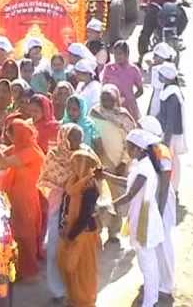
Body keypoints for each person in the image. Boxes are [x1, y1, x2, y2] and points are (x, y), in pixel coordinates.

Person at [0, 119, 44, 281]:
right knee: (13, 233)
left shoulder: (31, 152)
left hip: (25, 199)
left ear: (20, 135)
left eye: (11, 134)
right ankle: (16, 270)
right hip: (13, 197)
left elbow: (4, 161)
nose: (9, 138)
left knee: (25, 235)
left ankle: (29, 272)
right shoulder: (20, 147)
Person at [111, 129, 165, 307]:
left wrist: (109, 206)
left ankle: (150, 301)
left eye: (129, 147)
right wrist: (105, 176)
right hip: (142, 214)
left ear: (139, 149)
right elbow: (128, 184)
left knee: (147, 261)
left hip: (144, 219)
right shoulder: (141, 164)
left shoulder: (144, 168)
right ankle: (151, 296)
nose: (126, 149)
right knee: (146, 261)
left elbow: (129, 195)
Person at [37, 124, 88, 302]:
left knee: (76, 248)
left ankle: (75, 287)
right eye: (72, 138)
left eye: (79, 138)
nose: (76, 142)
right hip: (58, 207)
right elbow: (47, 179)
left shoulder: (85, 155)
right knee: (54, 249)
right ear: (64, 137)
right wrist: (68, 187)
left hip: (79, 207)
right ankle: (57, 289)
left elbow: (93, 177)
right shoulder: (53, 156)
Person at [90, 84, 136, 241]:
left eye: (110, 98)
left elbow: (131, 141)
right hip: (98, 161)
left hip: (118, 163)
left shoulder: (123, 116)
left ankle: (113, 231)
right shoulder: (95, 112)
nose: (106, 101)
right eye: (103, 98)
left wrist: (124, 162)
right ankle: (97, 229)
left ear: (116, 99)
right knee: (98, 196)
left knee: (116, 197)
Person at [58, 150, 102, 307]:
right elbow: (65, 205)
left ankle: (85, 301)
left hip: (83, 233)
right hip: (70, 230)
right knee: (69, 267)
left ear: (85, 165)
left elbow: (85, 217)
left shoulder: (90, 187)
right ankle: (75, 299)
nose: (73, 165)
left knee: (83, 270)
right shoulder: (73, 181)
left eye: (77, 162)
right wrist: (63, 227)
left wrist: (71, 236)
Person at [139, 116, 176, 300]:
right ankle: (153, 280)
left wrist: (159, 213)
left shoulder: (162, 152)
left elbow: (164, 187)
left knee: (163, 241)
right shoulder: (147, 151)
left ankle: (166, 284)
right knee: (150, 242)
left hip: (162, 202)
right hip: (150, 199)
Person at [157, 62, 187, 193]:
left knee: (172, 160)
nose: (158, 76)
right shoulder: (167, 89)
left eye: (160, 74)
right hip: (165, 132)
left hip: (171, 134)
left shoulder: (173, 95)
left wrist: (166, 140)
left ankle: (172, 187)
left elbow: (171, 119)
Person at [102, 40, 144, 120]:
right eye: (115, 54)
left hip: (130, 110)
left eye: (120, 54)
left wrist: (130, 99)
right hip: (112, 108)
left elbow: (140, 90)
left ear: (127, 54)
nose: (117, 57)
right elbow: (104, 87)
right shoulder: (109, 68)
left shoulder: (133, 70)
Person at [147, 42, 176, 116]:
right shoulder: (159, 67)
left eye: (156, 56)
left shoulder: (167, 69)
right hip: (156, 98)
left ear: (162, 57)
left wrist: (152, 67)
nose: (153, 58)